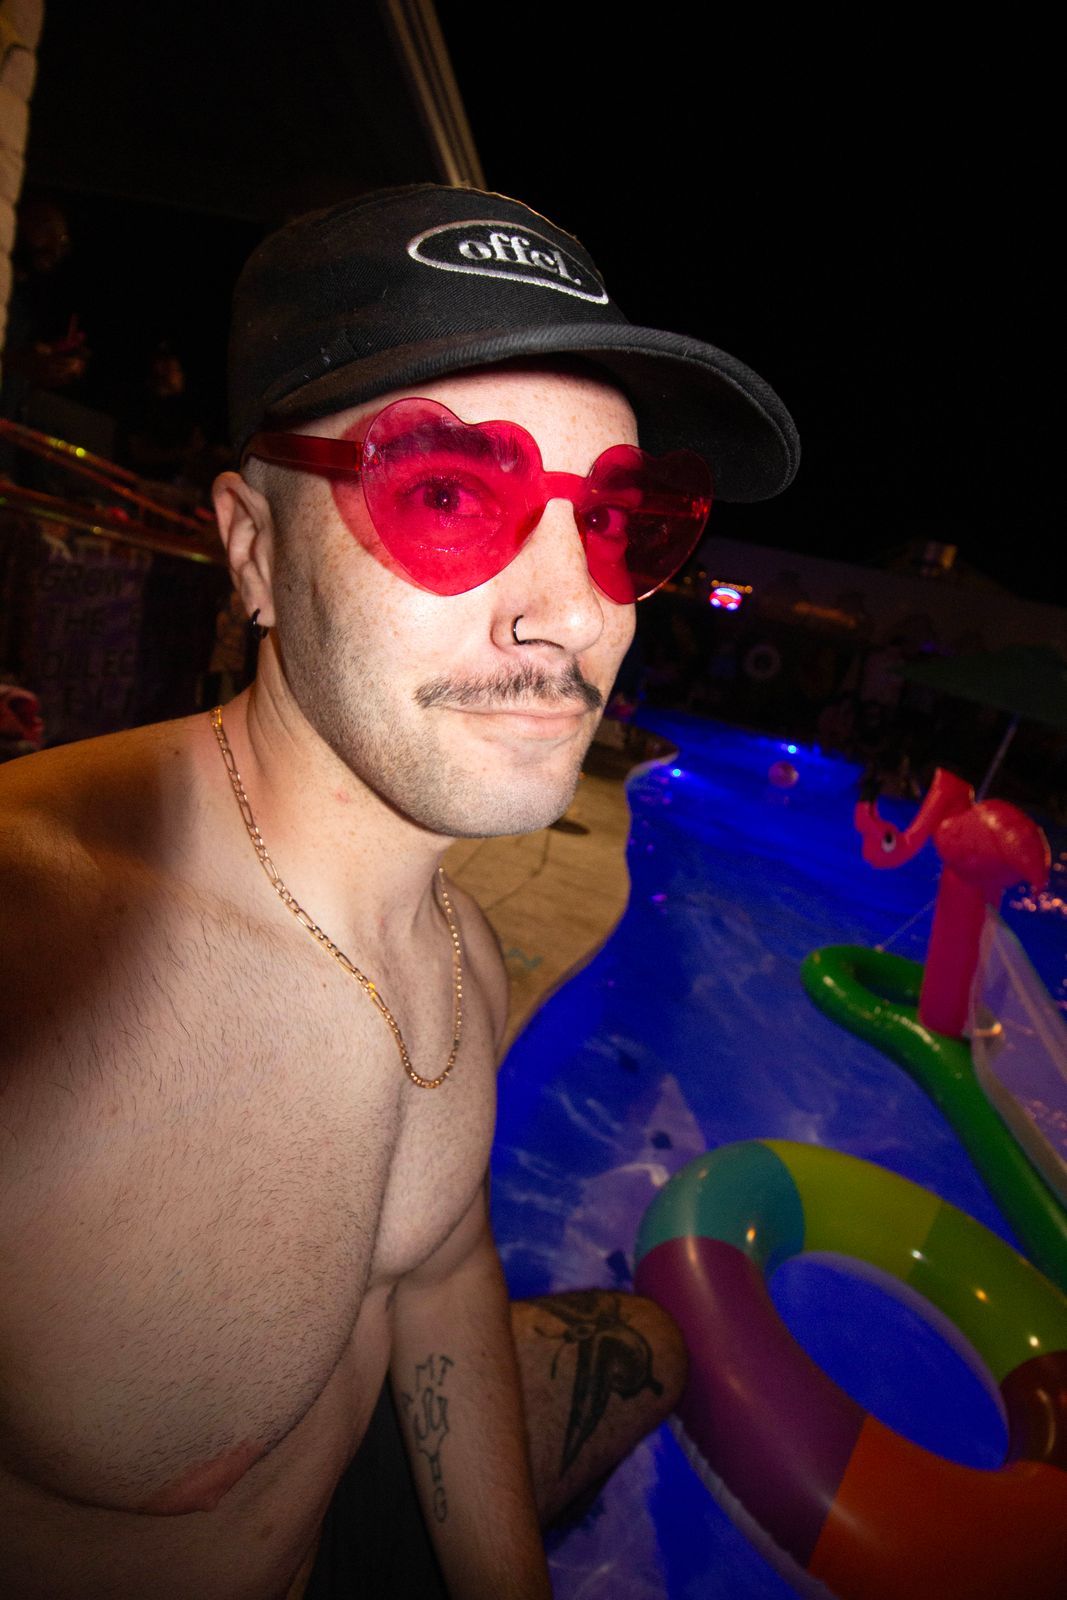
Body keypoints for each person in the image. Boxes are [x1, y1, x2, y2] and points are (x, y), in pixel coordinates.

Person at [0, 185, 799, 1599]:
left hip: (347, 1481)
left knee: (653, 1347)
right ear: (252, 549)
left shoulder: (462, 954)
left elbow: (438, 1275)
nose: (576, 612)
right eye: (446, 496)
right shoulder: (37, 964)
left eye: (618, 522)